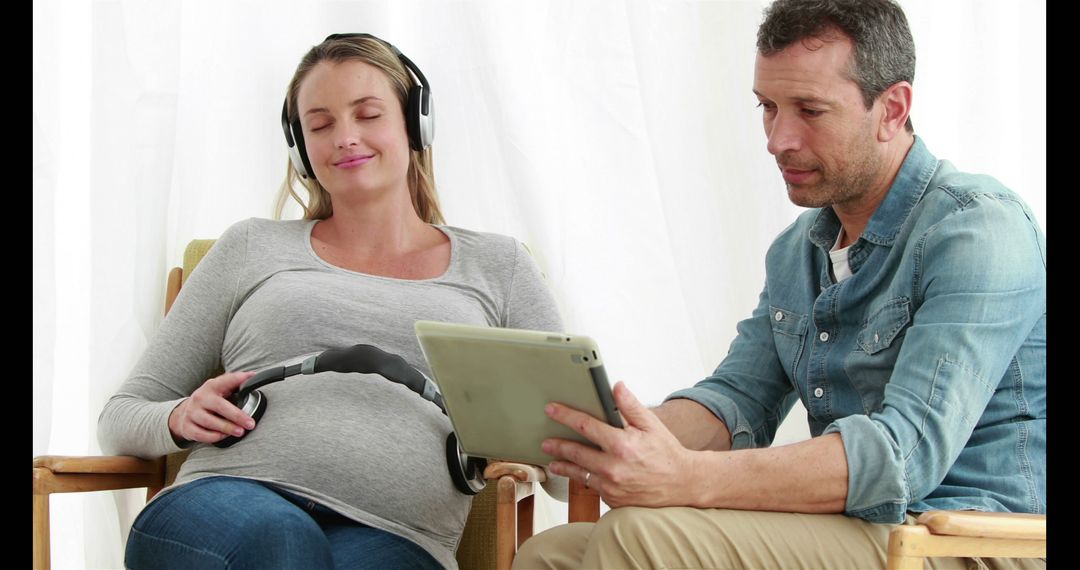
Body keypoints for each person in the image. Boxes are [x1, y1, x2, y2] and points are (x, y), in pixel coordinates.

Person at [513, 0, 1046, 568]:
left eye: (809, 110)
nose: (777, 139)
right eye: (768, 107)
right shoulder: (798, 251)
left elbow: (902, 457)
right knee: (554, 554)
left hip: (970, 539)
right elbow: (739, 400)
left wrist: (688, 478)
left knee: (640, 533)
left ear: (892, 109)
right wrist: (613, 439)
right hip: (862, 529)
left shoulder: (980, 229)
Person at [98, 33, 564, 570]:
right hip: (228, 501)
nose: (345, 138)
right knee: (282, 543)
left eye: (367, 114)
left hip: (401, 537)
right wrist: (179, 417)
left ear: (416, 125)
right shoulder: (251, 247)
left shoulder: (500, 268)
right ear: (301, 149)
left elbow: (568, 454)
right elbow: (121, 417)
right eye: (320, 125)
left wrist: (540, 453)